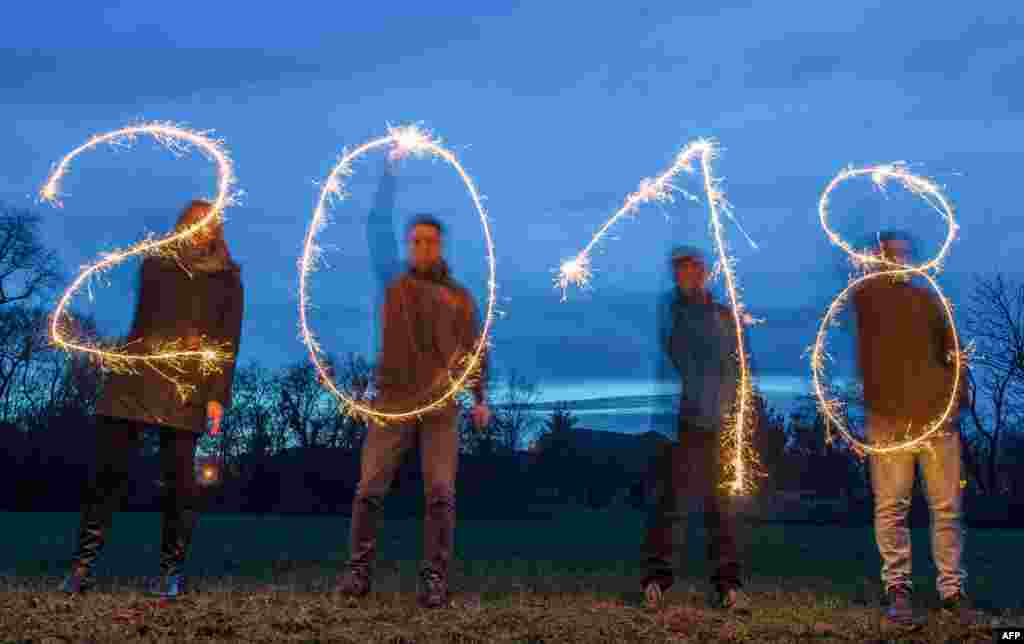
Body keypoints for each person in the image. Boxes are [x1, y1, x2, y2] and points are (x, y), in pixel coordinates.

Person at [59, 200, 244, 599]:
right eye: (193, 222)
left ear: (217, 231)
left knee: (179, 483)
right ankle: (82, 567)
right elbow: (146, 318)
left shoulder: (229, 279)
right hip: (138, 375)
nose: (200, 229)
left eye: (208, 224)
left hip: (187, 383)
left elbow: (228, 342)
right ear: (181, 225)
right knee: (107, 473)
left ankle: (169, 573)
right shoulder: (156, 264)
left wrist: (217, 397)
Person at [336, 152, 491, 608]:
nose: (423, 248)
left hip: (442, 404)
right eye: (416, 242)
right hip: (392, 400)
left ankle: (434, 578)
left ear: (441, 247)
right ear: (409, 247)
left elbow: (475, 350)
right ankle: (359, 572)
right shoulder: (396, 286)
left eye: (430, 242)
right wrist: (388, 174)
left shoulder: (460, 298)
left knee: (441, 492)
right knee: (369, 489)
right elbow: (375, 230)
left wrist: (480, 396)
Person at [852, 230, 974, 629]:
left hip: (937, 419)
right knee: (892, 506)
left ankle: (952, 591)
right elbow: (860, 293)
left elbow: (953, 352)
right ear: (876, 259)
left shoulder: (928, 300)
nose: (897, 260)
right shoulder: (868, 298)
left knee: (946, 508)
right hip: (889, 420)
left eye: (902, 254)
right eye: (888, 254)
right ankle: (898, 588)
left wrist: (956, 398)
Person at [641, 246, 750, 613]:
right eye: (683, 271)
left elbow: (738, 363)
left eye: (696, 270)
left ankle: (728, 585)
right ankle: (656, 579)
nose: (690, 276)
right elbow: (674, 344)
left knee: (722, 508)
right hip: (682, 422)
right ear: (676, 276)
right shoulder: (673, 312)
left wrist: (739, 412)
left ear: (705, 273)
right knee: (670, 503)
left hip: (720, 423)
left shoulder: (722, 315)